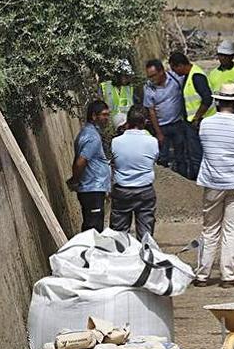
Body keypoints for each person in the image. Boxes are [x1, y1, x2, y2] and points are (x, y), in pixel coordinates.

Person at [193, 83, 234, 288]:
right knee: (233, 230)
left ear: (217, 101)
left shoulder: (205, 125)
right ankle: (228, 275)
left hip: (213, 183)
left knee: (210, 229)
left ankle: (202, 274)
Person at [110, 105, 160, 240]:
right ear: (145, 122)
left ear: (128, 121)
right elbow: (154, 160)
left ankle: (120, 252)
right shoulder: (152, 142)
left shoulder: (115, 142)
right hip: (145, 191)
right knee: (145, 235)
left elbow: (113, 162)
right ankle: (145, 253)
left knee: (119, 235)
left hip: (122, 191)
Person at [67, 100, 112, 232]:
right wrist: (75, 180)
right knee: (93, 229)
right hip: (92, 189)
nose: (107, 118)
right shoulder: (92, 137)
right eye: (104, 115)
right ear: (94, 116)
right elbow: (80, 162)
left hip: (92, 188)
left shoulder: (87, 133)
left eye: (108, 115)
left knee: (92, 226)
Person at [168, 52, 213, 181]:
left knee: (197, 156)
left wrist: (197, 117)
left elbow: (207, 99)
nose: (175, 73)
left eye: (174, 69)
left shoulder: (196, 76)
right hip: (192, 122)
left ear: (180, 65)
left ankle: (200, 182)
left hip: (199, 122)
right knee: (193, 155)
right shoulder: (188, 76)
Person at [144, 59, 188, 177]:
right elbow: (151, 111)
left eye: (153, 75)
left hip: (178, 124)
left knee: (181, 156)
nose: (151, 79)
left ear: (161, 71)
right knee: (163, 157)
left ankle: (184, 180)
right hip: (162, 127)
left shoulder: (175, 78)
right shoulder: (148, 88)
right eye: (149, 77)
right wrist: (158, 133)